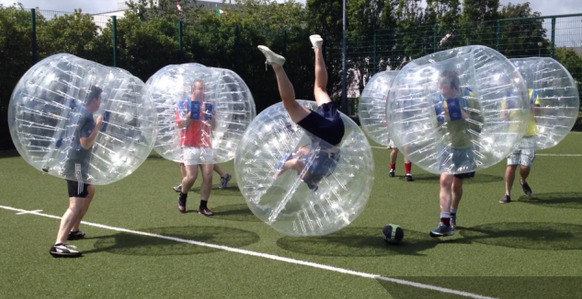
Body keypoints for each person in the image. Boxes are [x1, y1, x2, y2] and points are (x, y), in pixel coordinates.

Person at [258, 34, 345, 191]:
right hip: (328, 135)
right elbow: (295, 163)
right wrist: (280, 169)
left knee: (320, 89)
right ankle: (277, 66)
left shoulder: (322, 169)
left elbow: (305, 151)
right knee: (290, 105)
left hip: (338, 129)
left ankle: (318, 48)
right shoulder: (310, 177)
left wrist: (298, 153)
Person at [50, 86, 104, 257]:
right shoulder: (87, 118)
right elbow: (85, 144)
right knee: (75, 205)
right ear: (94, 100)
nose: (100, 102)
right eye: (100, 99)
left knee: (90, 191)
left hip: (76, 163)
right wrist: (97, 126)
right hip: (77, 167)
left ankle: (74, 230)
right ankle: (59, 244)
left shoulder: (78, 113)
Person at [429, 70, 482, 237]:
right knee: (445, 180)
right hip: (447, 146)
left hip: (466, 146)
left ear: (453, 86)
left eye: (444, 87)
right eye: (439, 86)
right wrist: (441, 116)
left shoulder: (468, 97)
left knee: (457, 185)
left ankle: (452, 213)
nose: (441, 90)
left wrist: (462, 114)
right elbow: (435, 125)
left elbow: (480, 123)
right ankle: (444, 222)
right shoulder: (438, 101)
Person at [176, 79, 215, 216]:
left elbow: (214, 127)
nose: (203, 92)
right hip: (189, 144)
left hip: (205, 144)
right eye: (201, 88)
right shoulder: (184, 104)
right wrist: (192, 113)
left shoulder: (208, 105)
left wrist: (210, 117)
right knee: (191, 177)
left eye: (204, 89)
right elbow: (180, 124)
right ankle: (183, 195)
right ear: (193, 90)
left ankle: (203, 207)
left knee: (208, 176)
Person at [499, 88, 541, 203]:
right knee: (511, 165)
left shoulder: (532, 93)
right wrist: (507, 110)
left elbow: (539, 113)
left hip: (529, 135)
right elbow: (502, 117)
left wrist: (529, 105)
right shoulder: (508, 95)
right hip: (513, 136)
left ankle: (523, 180)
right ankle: (507, 194)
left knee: (525, 166)